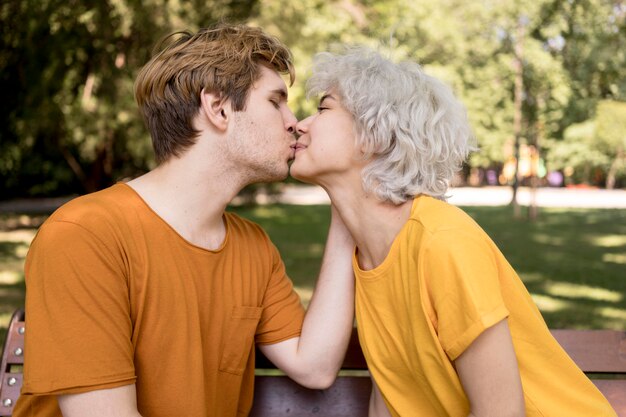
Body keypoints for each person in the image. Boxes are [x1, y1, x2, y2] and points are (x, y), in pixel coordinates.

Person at [13, 23, 355, 417]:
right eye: (276, 101)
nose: (293, 120)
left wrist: (345, 198)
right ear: (218, 108)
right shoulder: (84, 235)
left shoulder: (253, 247)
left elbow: (315, 366)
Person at [290, 46, 617, 417]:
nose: (300, 124)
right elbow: (393, 397)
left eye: (323, 108)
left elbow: (501, 413)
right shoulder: (369, 255)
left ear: (374, 135)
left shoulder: (442, 241)